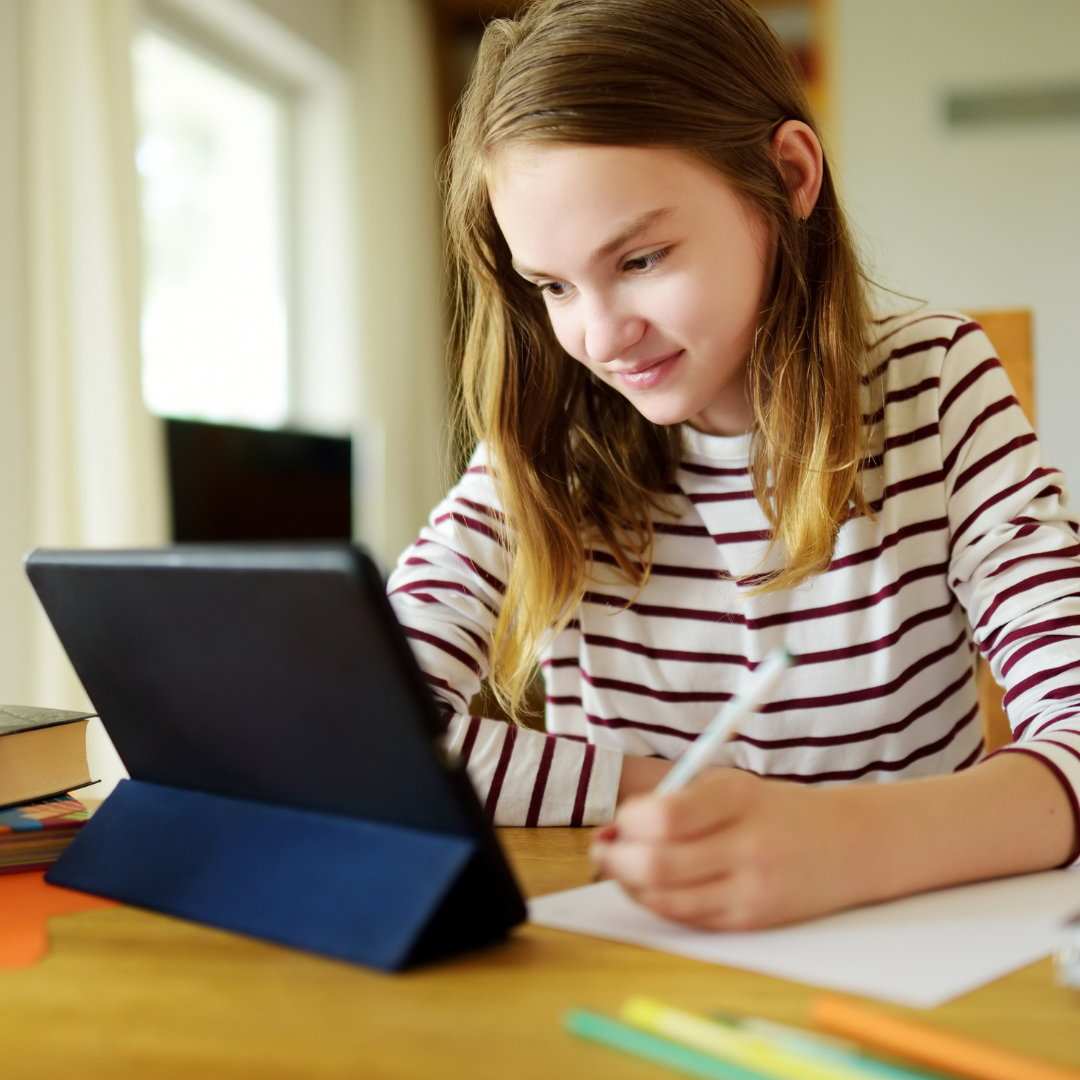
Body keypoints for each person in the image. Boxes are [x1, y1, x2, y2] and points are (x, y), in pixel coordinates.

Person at [387, 0, 1080, 930]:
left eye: (639, 258)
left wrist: (840, 843)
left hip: (913, 957)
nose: (597, 335)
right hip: (649, 960)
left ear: (787, 175)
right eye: (552, 286)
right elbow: (370, 730)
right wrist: (662, 788)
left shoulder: (933, 385)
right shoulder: (545, 439)